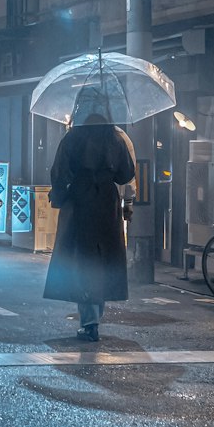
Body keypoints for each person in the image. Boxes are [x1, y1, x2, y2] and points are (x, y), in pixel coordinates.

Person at [42, 94, 136, 343]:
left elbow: (59, 172)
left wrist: (60, 197)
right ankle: (95, 316)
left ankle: (90, 321)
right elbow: (127, 173)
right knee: (103, 257)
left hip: (80, 202)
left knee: (82, 259)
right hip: (107, 202)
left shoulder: (73, 137)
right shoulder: (115, 138)